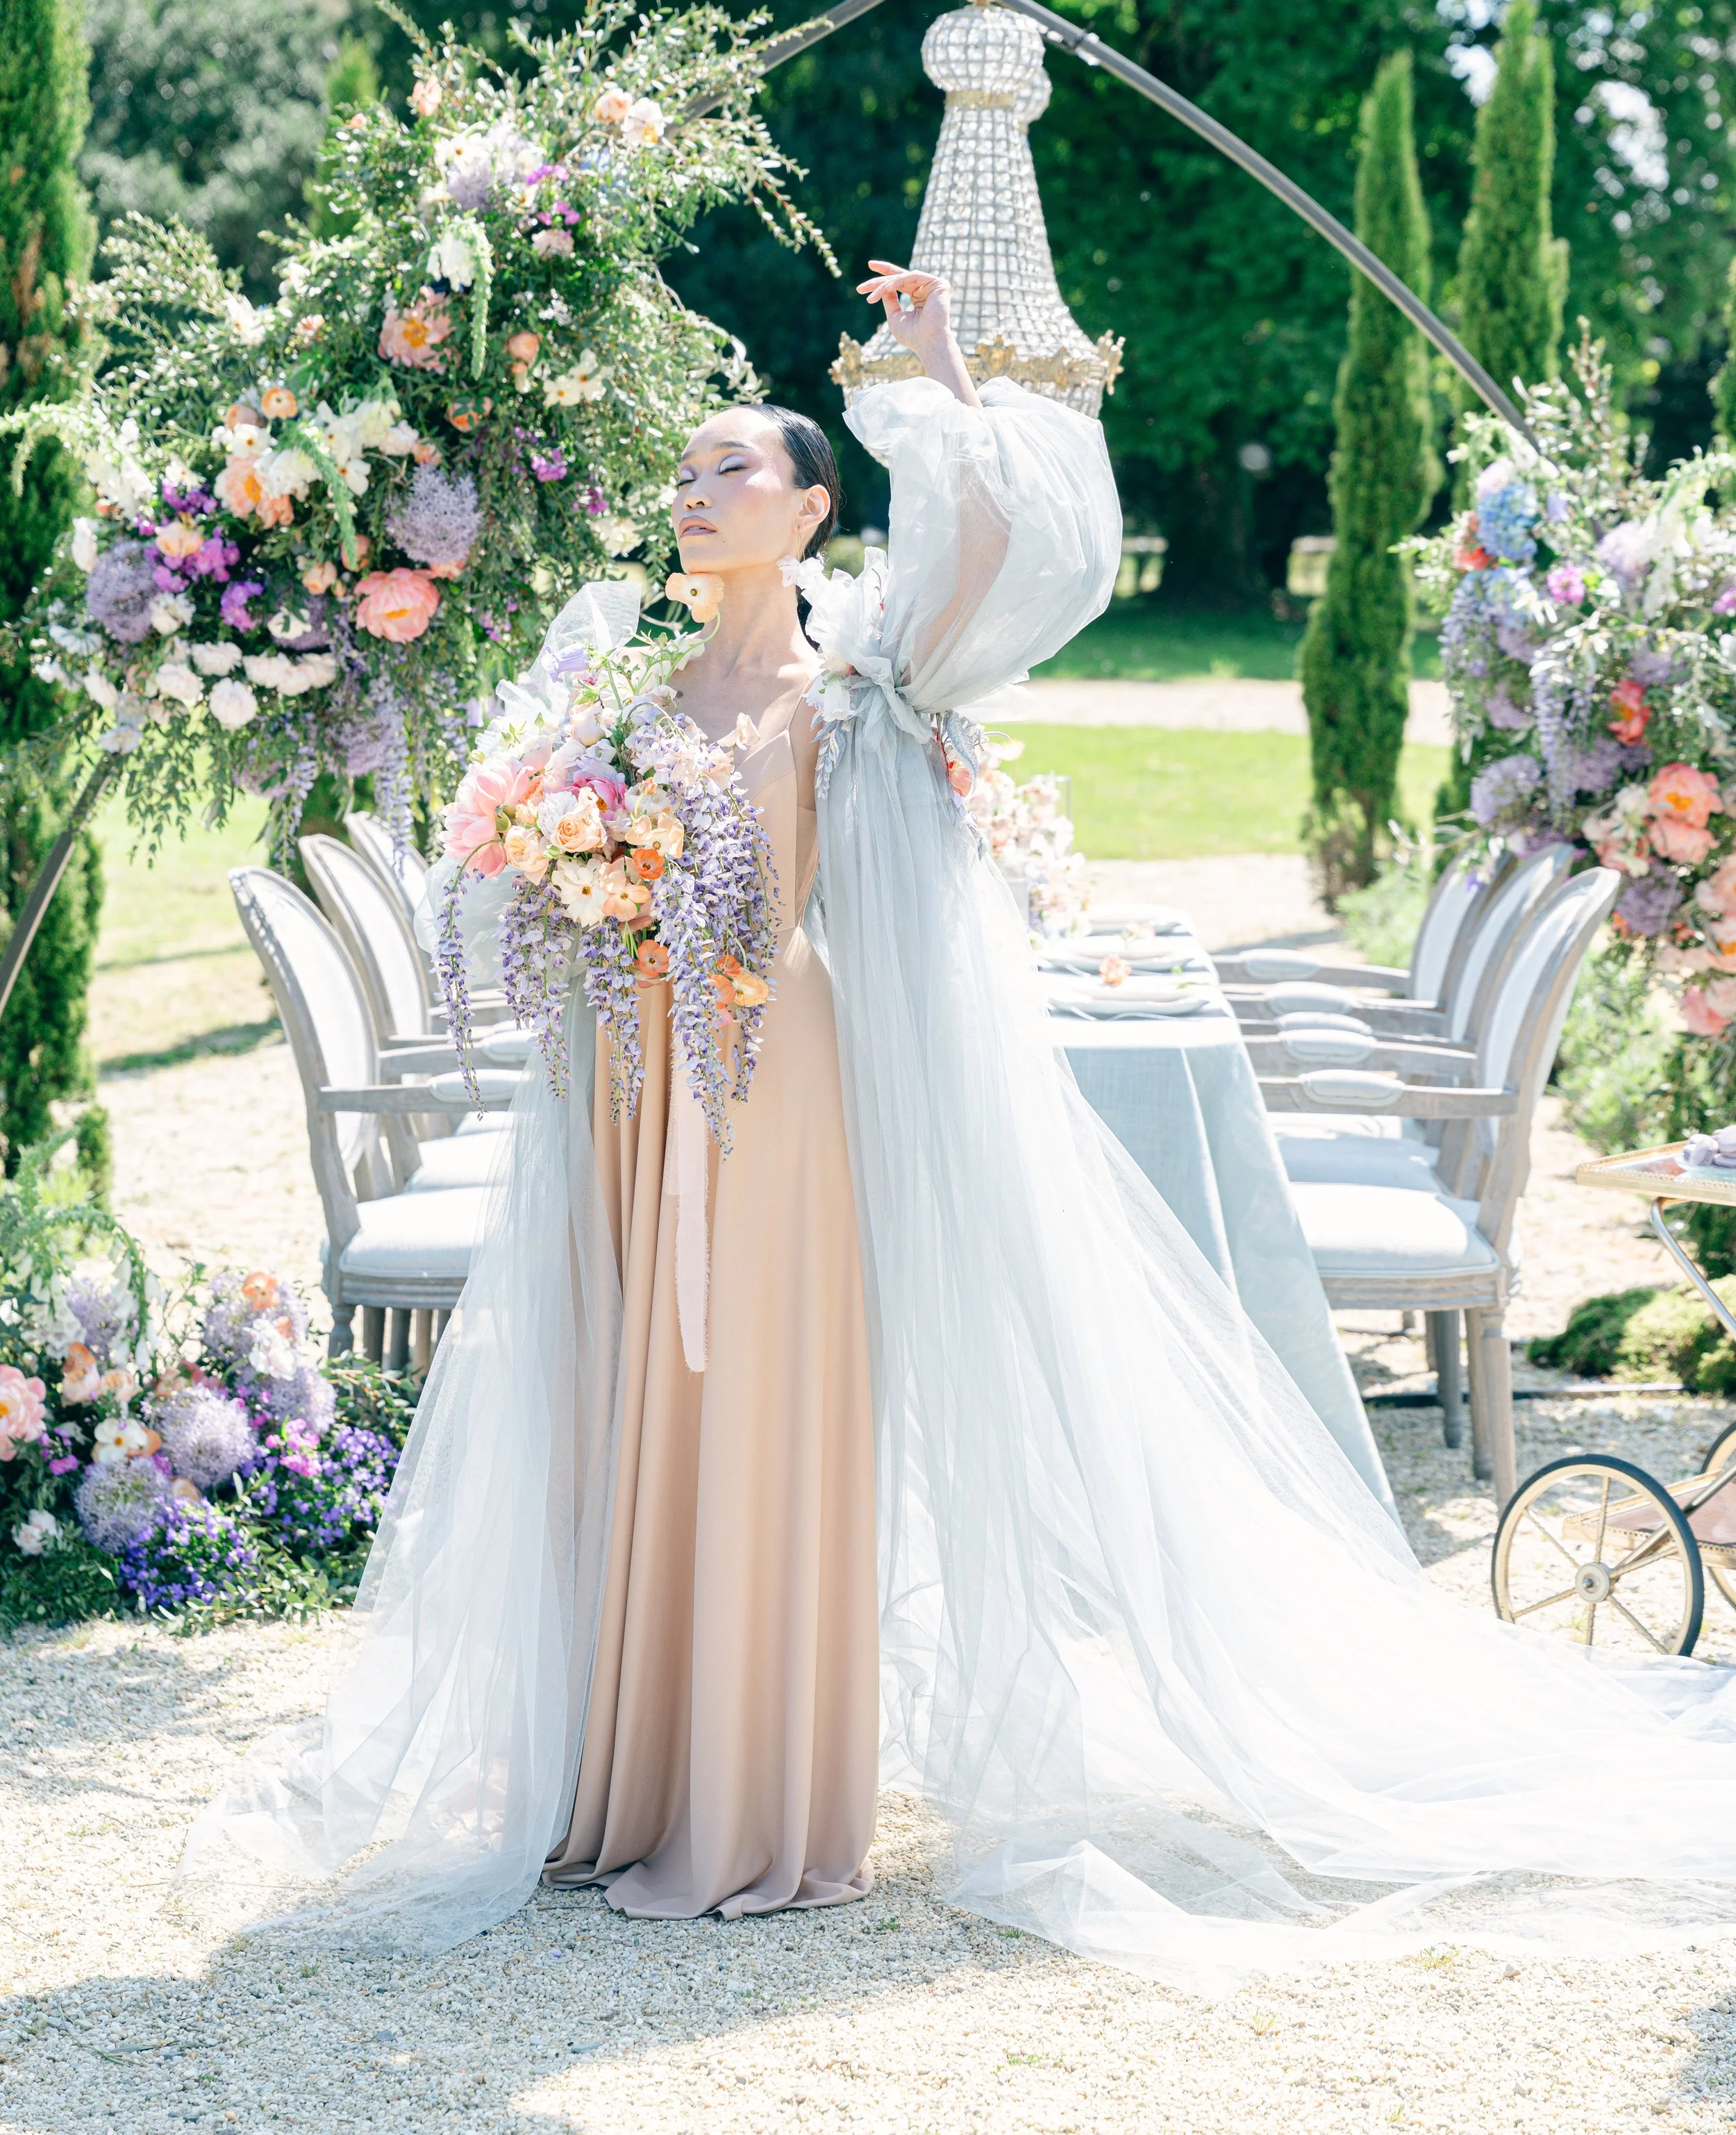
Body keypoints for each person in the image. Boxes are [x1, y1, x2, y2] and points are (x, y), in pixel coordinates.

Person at [190, 262, 1736, 1995]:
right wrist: (567, 864)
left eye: (732, 473)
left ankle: (756, 1804)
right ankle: (620, 1781)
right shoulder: (614, 692)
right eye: (685, 477)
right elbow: (535, 878)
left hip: (778, 1102)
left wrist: (934, 381)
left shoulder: (863, 679)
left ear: (811, 504)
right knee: (637, 1416)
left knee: (763, 1419)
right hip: (627, 1102)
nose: (695, 498)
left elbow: (1003, 553)